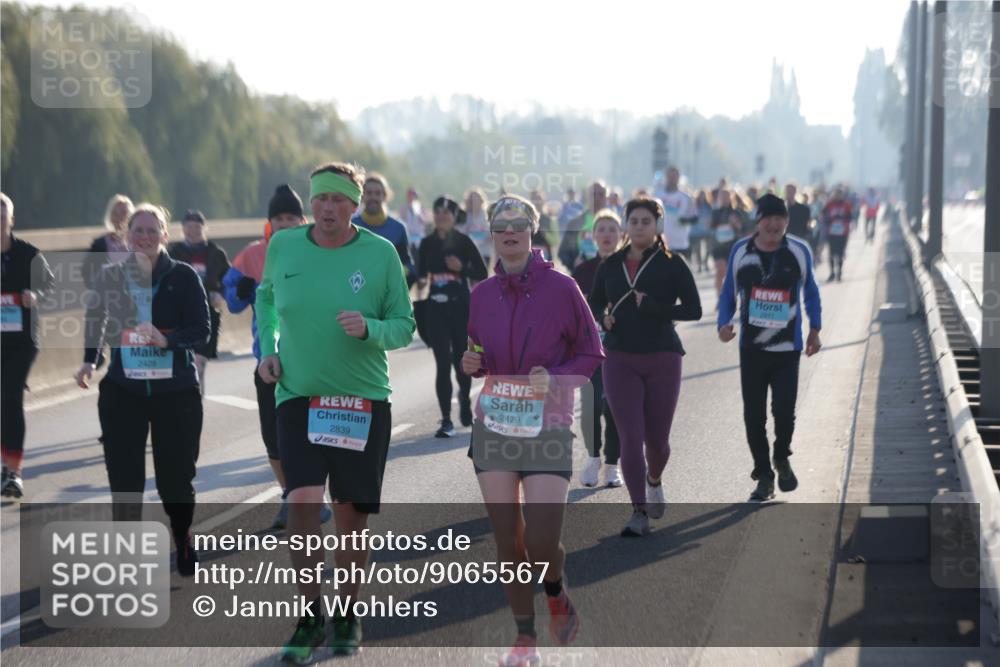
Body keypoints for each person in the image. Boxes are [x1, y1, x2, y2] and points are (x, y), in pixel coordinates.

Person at [256, 162, 414, 662]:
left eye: (338, 201)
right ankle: (310, 617)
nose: (328, 209)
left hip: (360, 400)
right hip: (299, 396)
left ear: (355, 205)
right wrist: (268, 348)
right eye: (321, 199)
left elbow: (404, 325)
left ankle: (345, 612)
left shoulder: (381, 252)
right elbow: (265, 298)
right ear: (312, 202)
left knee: (351, 520)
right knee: (302, 503)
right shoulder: (284, 246)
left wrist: (370, 328)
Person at [462, 194, 603, 667]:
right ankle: (524, 638)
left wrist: (558, 378)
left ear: (532, 229)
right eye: (500, 224)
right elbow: (479, 351)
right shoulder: (480, 294)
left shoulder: (562, 288)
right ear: (491, 233)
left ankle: (556, 589)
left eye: (518, 222)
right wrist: (472, 362)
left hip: (547, 425)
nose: (509, 231)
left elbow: (591, 352)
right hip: (496, 425)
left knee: (540, 542)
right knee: (508, 540)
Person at [74, 203, 210, 573]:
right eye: (139, 231)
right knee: (125, 478)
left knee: (176, 480)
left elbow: (202, 329)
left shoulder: (182, 277)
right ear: (126, 236)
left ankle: (182, 538)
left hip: (175, 394)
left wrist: (168, 342)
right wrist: (90, 359)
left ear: (165, 236)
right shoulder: (111, 276)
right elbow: (95, 320)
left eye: (153, 231)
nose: (146, 237)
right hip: (123, 392)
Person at [589, 196, 702, 537]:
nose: (639, 227)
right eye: (634, 221)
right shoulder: (610, 265)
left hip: (662, 357)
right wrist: (602, 317)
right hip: (619, 358)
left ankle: (655, 480)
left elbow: (694, 310)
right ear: (626, 225)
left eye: (646, 221)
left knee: (657, 442)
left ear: (658, 226)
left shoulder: (672, 264)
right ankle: (638, 509)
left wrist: (656, 307)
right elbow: (593, 301)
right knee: (630, 437)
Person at [222, 184, 331, 530]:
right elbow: (234, 301)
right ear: (269, 222)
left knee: (316, 433)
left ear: (301, 220)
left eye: (290, 217)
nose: (284, 223)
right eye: (278, 218)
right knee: (274, 437)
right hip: (268, 361)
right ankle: (290, 495)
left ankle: (314, 496)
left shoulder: (319, 250)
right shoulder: (254, 254)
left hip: (311, 358)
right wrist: (237, 291)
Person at [717, 194, 822, 501]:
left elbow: (811, 292)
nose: (774, 224)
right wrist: (724, 324)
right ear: (758, 221)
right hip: (752, 349)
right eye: (768, 218)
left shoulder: (798, 250)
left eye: (780, 219)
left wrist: (815, 329)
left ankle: (781, 456)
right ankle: (763, 475)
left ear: (787, 222)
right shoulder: (741, 251)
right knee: (753, 416)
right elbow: (728, 293)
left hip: (788, 348)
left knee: (784, 413)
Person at [417, 196, 487, 437]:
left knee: (461, 360)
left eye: (446, 213)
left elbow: (482, 273)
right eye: (437, 212)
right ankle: (446, 419)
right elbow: (419, 276)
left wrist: (462, 269)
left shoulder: (464, 241)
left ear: (454, 216)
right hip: (435, 307)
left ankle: (465, 400)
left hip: (460, 307)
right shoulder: (426, 243)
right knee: (441, 364)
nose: (441, 216)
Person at [1, 193, 55, 498]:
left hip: (23, 341)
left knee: (10, 396)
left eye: (1, 217)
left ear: (11, 220)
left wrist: (35, 297)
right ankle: (5, 464)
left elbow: (49, 287)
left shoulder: (29, 254)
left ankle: (15, 472)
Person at [571, 210, 623, 488]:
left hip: (621, 350)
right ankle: (593, 458)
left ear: (621, 235)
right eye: (601, 229)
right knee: (590, 407)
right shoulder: (582, 272)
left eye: (612, 230)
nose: (606, 235)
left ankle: (613, 465)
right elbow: (570, 312)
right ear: (593, 236)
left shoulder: (628, 268)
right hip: (589, 351)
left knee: (613, 408)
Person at [167, 210, 230, 392]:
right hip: (180, 317)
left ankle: (195, 404)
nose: (192, 231)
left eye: (196, 227)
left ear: (204, 228)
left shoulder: (216, 253)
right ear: (182, 229)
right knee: (181, 367)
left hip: (208, 315)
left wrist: (221, 294)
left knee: (198, 365)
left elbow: (230, 280)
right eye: (188, 227)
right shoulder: (174, 252)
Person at [83, 194, 134, 370]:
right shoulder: (100, 244)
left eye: (125, 214)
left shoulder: (138, 242)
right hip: (110, 301)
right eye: (116, 213)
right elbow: (86, 271)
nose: (120, 218)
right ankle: (98, 355)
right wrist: (100, 287)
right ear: (110, 216)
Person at [352, 173, 417, 287]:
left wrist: (398, 272)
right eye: (369, 193)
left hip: (388, 293)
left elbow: (408, 264)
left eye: (378, 193)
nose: (373, 197)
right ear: (362, 195)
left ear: (385, 196)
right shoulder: (351, 225)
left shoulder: (399, 228)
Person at [558, 181, 607, 270]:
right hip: (582, 275)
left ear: (606, 198)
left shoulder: (616, 223)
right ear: (587, 197)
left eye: (601, 194)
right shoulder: (575, 223)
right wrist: (573, 263)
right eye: (593, 194)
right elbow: (563, 253)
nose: (597, 198)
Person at [654, 166, 698, 260]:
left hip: (680, 243)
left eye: (674, 176)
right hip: (662, 242)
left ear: (678, 177)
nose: (672, 179)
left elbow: (694, 218)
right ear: (666, 177)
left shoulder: (686, 198)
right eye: (670, 176)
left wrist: (685, 221)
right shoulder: (658, 196)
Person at [710, 189, 745, 304]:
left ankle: (730, 297)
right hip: (718, 246)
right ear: (719, 197)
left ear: (731, 197)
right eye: (722, 196)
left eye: (726, 196)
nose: (724, 198)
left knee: (731, 273)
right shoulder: (715, 212)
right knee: (721, 271)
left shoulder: (736, 212)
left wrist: (735, 223)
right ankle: (720, 299)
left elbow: (741, 228)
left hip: (732, 245)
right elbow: (711, 226)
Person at [821, 187, 853, 282]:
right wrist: (830, 219)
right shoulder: (830, 204)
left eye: (840, 194)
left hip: (843, 232)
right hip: (832, 232)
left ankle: (839, 272)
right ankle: (832, 273)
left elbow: (850, 216)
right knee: (831, 253)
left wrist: (842, 218)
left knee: (840, 253)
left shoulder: (846, 204)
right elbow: (823, 214)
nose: (838, 196)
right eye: (836, 194)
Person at [464, 187, 492, 269]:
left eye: (476, 200)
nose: (474, 203)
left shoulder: (487, 216)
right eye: (472, 201)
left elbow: (493, 233)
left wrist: (486, 239)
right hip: (469, 253)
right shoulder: (465, 216)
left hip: (485, 252)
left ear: (481, 201)